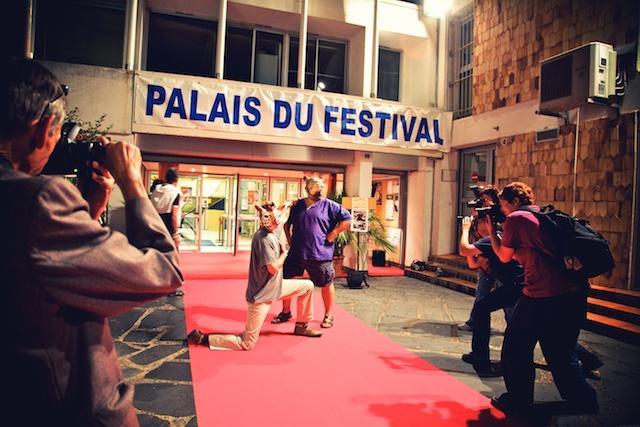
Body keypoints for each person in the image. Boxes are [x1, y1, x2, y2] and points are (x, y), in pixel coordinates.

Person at [1, 58, 183, 426]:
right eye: (59, 133)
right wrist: (132, 182)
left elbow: (42, 267)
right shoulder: (39, 199)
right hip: (68, 410)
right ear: (45, 128)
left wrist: (90, 205)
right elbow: (164, 271)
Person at [485, 182, 598, 415]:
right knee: (559, 351)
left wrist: (491, 232)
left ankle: (518, 400)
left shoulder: (517, 219)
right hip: (572, 294)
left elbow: (504, 256)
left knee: (516, 347)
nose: (503, 210)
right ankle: (584, 399)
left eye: (504, 205)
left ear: (515, 202)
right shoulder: (543, 216)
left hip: (541, 294)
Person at [187, 202, 322, 350]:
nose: (275, 221)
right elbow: (273, 269)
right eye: (270, 218)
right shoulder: (264, 239)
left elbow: (283, 212)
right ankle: (204, 338)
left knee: (307, 286)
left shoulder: (271, 232)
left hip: (276, 287)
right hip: (262, 295)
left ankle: (301, 326)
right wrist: (284, 254)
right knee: (246, 343)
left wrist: (289, 205)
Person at [271, 176, 351, 328]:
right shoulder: (298, 205)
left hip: (320, 253)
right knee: (287, 280)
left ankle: (328, 315)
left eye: (320, 191)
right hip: (297, 252)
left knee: (326, 283)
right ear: (308, 190)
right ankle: (286, 312)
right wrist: (289, 240)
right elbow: (287, 224)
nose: (318, 194)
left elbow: (347, 218)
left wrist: (334, 233)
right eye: (315, 191)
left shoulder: (330, 205)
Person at [459, 214, 524, 378]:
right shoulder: (489, 241)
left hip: (518, 286)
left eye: (478, 223)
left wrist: (465, 230)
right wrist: (471, 241)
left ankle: (489, 360)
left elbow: (463, 250)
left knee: (530, 329)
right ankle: (479, 356)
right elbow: (473, 263)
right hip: (512, 286)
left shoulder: (493, 239)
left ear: (488, 223)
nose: (475, 226)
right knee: (482, 308)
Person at [458, 186, 507, 332]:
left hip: (500, 262)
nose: (483, 202)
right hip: (484, 259)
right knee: (482, 295)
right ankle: (475, 322)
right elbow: (474, 242)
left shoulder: (499, 217)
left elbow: (494, 239)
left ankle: (513, 326)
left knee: (506, 297)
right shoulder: (479, 217)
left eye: (486, 199)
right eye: (482, 199)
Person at [151, 168, 181, 250]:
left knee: (157, 250)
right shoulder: (175, 192)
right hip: (168, 224)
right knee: (170, 251)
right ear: (177, 179)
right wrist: (176, 233)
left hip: (155, 222)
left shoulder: (156, 190)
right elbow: (174, 215)